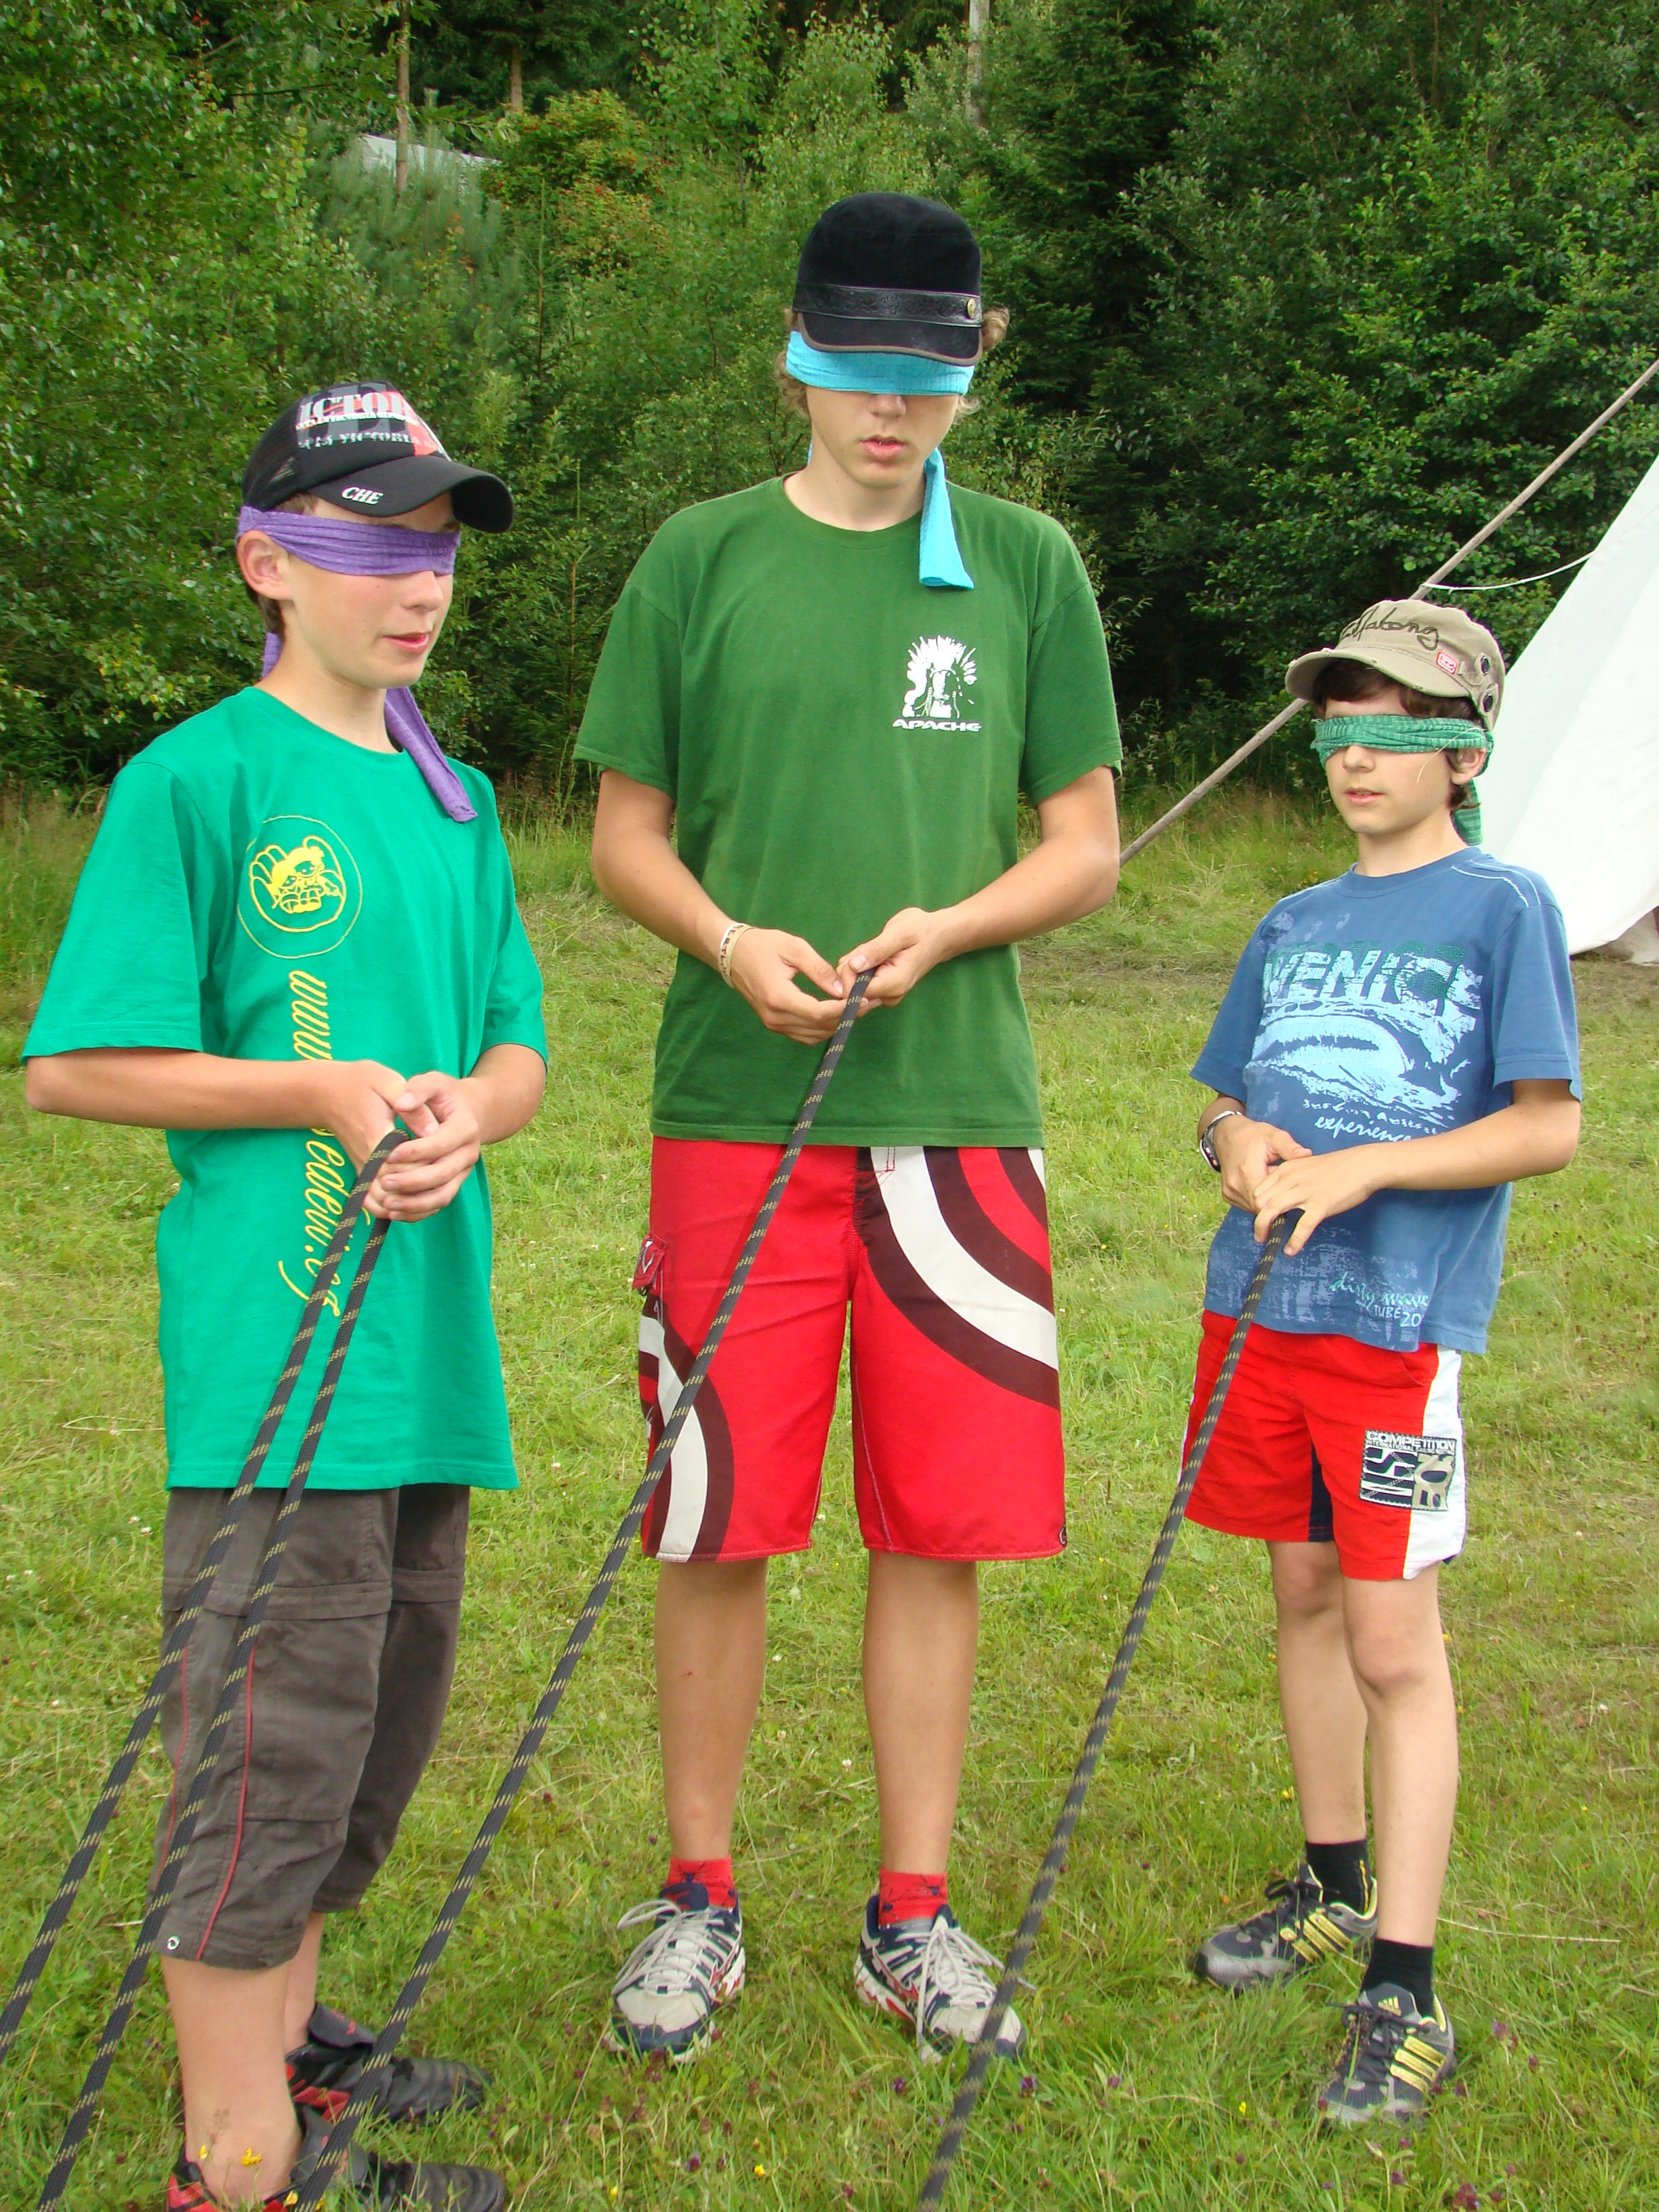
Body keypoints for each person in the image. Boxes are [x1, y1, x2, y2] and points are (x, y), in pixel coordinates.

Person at [574, 192, 1122, 2064]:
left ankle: (913, 1911)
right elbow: (625, 837)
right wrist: (731, 944)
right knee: (714, 1517)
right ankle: (698, 1895)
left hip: (957, 1114)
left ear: (973, 370)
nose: (891, 411)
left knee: (937, 1522)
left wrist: (947, 928)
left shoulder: (1028, 566)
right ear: (793, 360)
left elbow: (1084, 845)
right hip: (735, 1111)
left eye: (926, 378)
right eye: (856, 371)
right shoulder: (700, 556)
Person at [23, 384, 548, 2212]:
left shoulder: (454, 798)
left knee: (365, 1741)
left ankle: (293, 2050)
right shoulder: (199, 782)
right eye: (374, 542)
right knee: (266, 1760)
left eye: (440, 546)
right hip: (281, 1367)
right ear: (268, 562)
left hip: (426, 1358)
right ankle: (236, 2161)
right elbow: (76, 1066)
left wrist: (474, 1111)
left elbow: (516, 1039)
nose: (421, 581)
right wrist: (318, 1089)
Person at [1181, 599, 1580, 2123]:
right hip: (1262, 1321)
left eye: (1396, 723)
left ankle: (1406, 1989)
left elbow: (1548, 1124)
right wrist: (1237, 1142)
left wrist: (1369, 1168)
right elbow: (1225, 1098)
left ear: (1464, 751)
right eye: (1339, 722)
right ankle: (1332, 1881)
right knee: (1300, 1592)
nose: (1357, 751)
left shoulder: (1505, 907)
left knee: (1394, 1643)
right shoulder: (1293, 921)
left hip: (1397, 1345)